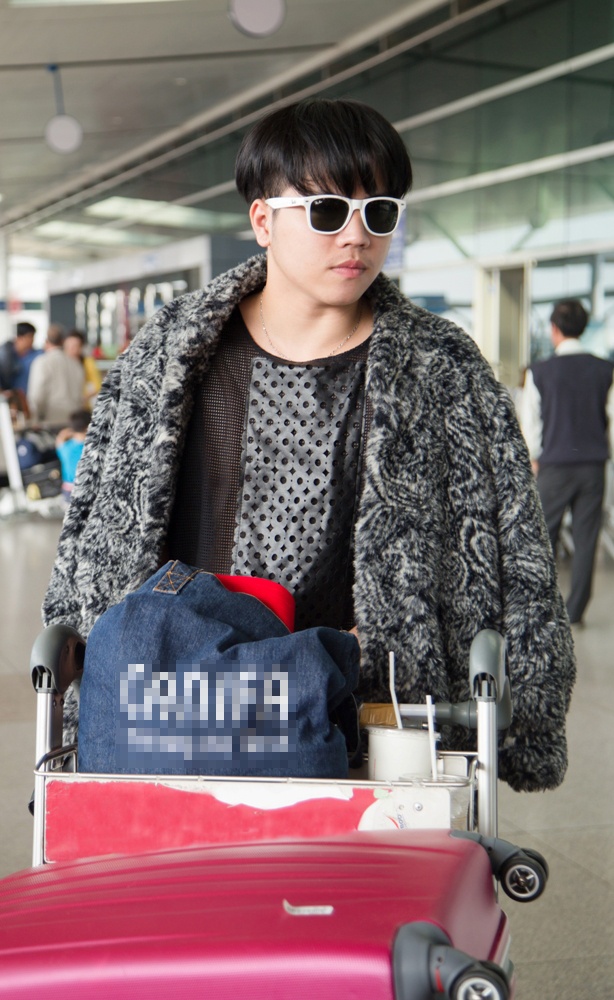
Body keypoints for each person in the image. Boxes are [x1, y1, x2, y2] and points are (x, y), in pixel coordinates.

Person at [42, 97, 575, 793]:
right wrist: (75, 696)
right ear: (263, 220)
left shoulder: (441, 370)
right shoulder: (169, 355)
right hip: (178, 708)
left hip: (368, 727)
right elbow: (94, 535)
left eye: (379, 212)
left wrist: (527, 718)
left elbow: (517, 550)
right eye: (327, 210)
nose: (356, 235)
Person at [521, 299, 614, 625]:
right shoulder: (605, 370)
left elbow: (531, 422)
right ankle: (575, 611)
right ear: (583, 327)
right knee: (587, 538)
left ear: (554, 329)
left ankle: (541, 606)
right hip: (593, 466)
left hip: (554, 466)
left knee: (543, 536)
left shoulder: (539, 372)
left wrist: (534, 457)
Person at [27, 324, 85, 426]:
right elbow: (80, 395)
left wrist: (35, 418)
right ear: (63, 341)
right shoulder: (75, 364)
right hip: (73, 421)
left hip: (49, 422)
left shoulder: (42, 362)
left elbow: (37, 396)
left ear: (46, 342)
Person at [55, 408, 91, 502]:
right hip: (87, 489)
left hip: (68, 490)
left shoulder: (64, 447)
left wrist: (71, 430)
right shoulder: (91, 447)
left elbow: (60, 437)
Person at [63, 329, 103, 408]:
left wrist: (83, 398)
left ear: (81, 347)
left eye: (74, 346)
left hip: (81, 406)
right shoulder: (60, 362)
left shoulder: (87, 362)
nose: (70, 349)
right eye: (68, 346)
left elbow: (98, 385)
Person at [0, 321, 43, 395]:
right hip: (11, 397)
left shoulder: (36, 355)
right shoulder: (5, 355)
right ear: (19, 338)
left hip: (30, 396)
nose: (32, 340)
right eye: (30, 337)